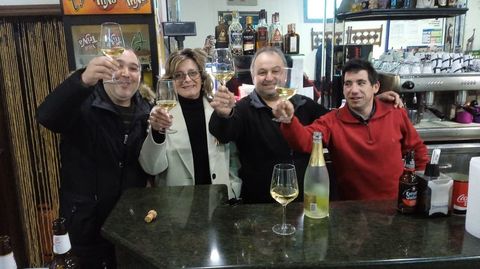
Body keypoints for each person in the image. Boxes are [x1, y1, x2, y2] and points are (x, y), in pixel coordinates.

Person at [209, 47, 402, 203]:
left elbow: (340, 121)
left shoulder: (303, 104)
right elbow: (223, 133)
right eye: (262, 72)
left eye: (275, 71)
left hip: (306, 201)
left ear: (285, 75)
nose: (269, 77)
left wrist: (371, 102)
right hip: (260, 204)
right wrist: (222, 115)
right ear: (253, 77)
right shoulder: (243, 109)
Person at [36, 49, 152, 269]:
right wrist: (82, 80)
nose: (126, 73)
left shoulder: (147, 111)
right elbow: (46, 117)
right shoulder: (83, 102)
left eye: (133, 68)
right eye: (118, 65)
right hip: (85, 227)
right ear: (106, 70)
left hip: (131, 228)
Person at [274, 58, 429, 201]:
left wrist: (419, 187)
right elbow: (305, 141)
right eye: (348, 84)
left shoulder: (395, 112)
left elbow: (417, 150)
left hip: (397, 203)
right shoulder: (332, 121)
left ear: (375, 87)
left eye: (361, 83)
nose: (353, 90)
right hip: (352, 209)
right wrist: (289, 120)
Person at [139, 48, 241, 200]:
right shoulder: (161, 114)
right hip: (177, 206)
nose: (186, 79)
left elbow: (232, 155)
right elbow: (151, 167)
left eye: (192, 73)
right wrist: (156, 132)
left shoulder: (218, 108)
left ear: (201, 76)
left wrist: (234, 188)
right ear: (170, 81)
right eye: (178, 75)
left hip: (219, 201)